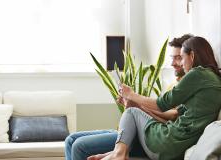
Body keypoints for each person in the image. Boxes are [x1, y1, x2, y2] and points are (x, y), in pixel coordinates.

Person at [64, 34, 193, 160]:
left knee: (79, 146)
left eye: (178, 58)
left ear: (188, 57)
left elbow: (169, 120)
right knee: (70, 140)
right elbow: (159, 113)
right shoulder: (173, 85)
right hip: (138, 127)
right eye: (172, 57)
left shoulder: (187, 88)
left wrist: (136, 104)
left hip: (148, 134)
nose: (172, 63)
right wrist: (134, 106)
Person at [91, 36, 221, 160]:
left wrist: (130, 94)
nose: (181, 63)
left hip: (168, 143)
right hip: (176, 149)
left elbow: (163, 104)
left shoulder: (198, 74)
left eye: (181, 57)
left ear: (192, 56)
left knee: (131, 112)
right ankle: (116, 152)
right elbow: (172, 116)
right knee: (134, 111)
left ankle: (118, 154)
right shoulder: (213, 80)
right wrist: (139, 107)